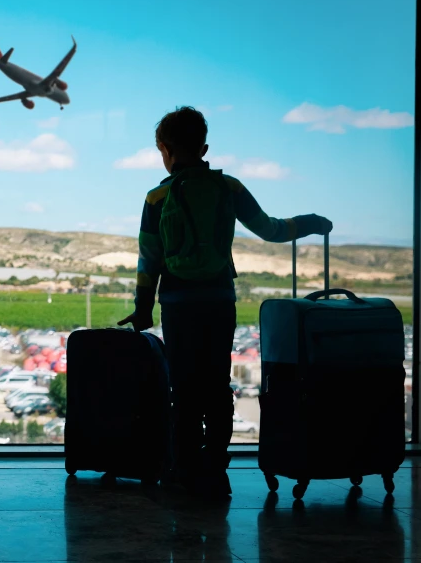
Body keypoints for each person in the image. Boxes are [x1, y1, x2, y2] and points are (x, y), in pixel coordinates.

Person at [118, 106, 332, 498]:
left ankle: (183, 471)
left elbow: (149, 260)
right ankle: (216, 470)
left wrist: (143, 307)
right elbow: (271, 229)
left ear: (164, 149)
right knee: (217, 386)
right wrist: (312, 222)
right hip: (219, 300)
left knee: (183, 388)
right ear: (204, 147)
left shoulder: (157, 197)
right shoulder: (228, 187)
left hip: (178, 303)